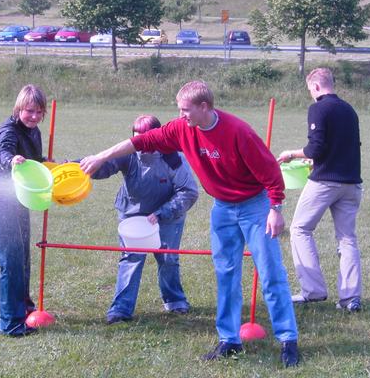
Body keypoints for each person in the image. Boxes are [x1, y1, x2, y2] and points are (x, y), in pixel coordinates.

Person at [80, 81, 299, 367]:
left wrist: (276, 208)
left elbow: (271, 171)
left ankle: (288, 340)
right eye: (179, 109)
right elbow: (139, 142)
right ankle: (229, 340)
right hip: (222, 207)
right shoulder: (181, 128)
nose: (180, 114)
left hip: (254, 205)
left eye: (185, 110)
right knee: (226, 273)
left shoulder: (238, 131)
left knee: (270, 272)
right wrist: (100, 156)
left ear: (204, 107)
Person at [89, 115, 199, 324]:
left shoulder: (173, 158)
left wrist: (161, 213)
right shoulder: (127, 154)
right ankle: (121, 309)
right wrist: (79, 167)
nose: (141, 144)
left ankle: (175, 301)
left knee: (168, 258)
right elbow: (104, 166)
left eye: (146, 138)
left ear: (157, 136)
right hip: (132, 215)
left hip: (167, 217)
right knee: (131, 258)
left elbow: (189, 192)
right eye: (136, 138)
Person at [277, 67, 363, 312]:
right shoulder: (349, 109)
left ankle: (312, 291)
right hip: (352, 183)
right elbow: (344, 146)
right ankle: (351, 298)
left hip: (326, 182)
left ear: (315, 87)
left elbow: (315, 148)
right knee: (347, 239)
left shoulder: (318, 108)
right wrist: (315, 159)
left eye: (309, 90)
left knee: (300, 229)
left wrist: (290, 154)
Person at [0, 84, 47, 336]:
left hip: (19, 201)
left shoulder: (34, 131)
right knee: (11, 264)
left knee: (23, 260)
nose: (35, 117)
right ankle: (10, 323)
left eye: (40, 112)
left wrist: (49, 164)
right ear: (19, 108)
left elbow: (34, 162)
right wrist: (12, 159)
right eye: (30, 111)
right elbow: (3, 153)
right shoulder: (8, 131)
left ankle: (25, 309)